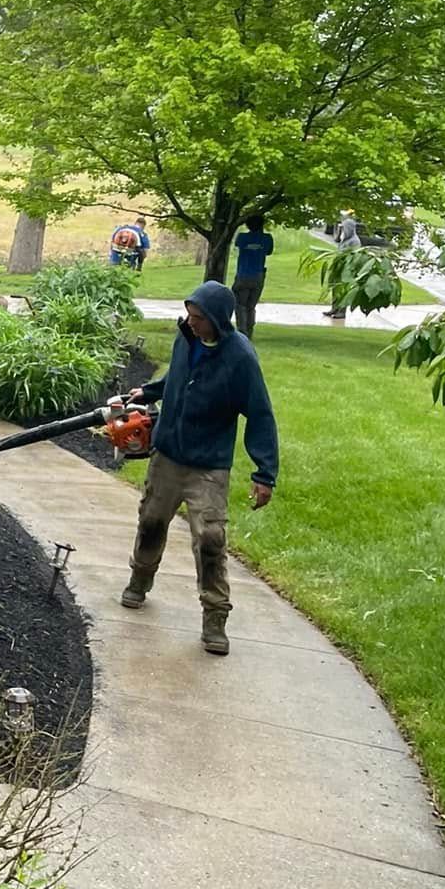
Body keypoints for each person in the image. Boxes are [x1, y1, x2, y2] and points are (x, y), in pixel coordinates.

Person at [116, 280, 278, 654]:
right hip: (168, 455)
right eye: (189, 314)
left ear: (217, 320)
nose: (191, 322)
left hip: (208, 465)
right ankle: (139, 580)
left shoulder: (240, 357)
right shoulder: (186, 338)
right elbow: (178, 376)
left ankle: (215, 617)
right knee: (151, 521)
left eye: (198, 317)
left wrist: (264, 472)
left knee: (210, 539)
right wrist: (150, 391)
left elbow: (260, 414)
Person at [231, 212, 274, 337]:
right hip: (258, 276)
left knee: (240, 305)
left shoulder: (242, 237)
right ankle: (249, 332)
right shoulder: (267, 238)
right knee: (251, 306)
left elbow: (237, 244)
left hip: (243, 275)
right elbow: (269, 251)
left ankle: (242, 332)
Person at [322, 210, 361, 321]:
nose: (344, 230)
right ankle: (334, 308)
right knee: (335, 288)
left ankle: (342, 312)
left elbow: (355, 256)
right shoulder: (344, 240)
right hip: (338, 268)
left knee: (343, 290)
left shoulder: (355, 241)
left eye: (345, 228)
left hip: (347, 270)